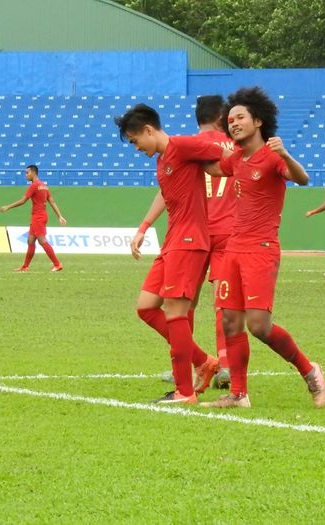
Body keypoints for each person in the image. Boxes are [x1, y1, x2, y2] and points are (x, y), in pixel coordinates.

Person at [200, 86, 325, 409]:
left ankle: (309, 370)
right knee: (230, 321)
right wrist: (180, 153)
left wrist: (285, 154)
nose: (233, 123)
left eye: (240, 117)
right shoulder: (237, 159)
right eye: (229, 119)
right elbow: (214, 168)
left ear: (258, 121)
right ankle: (239, 394)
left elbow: (302, 179)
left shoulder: (272, 158)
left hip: (261, 249)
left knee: (259, 325)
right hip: (233, 249)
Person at [115, 103, 229, 404]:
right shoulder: (164, 159)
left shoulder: (182, 145)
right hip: (172, 240)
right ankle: (203, 361)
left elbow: (223, 153)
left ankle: (184, 392)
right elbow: (166, 194)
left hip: (190, 240)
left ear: (149, 130)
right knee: (146, 306)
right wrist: (143, 227)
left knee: (176, 313)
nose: (135, 147)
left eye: (135, 140)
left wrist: (246, 165)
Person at [0, 164, 66, 272]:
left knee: (42, 241)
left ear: (34, 173)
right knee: (30, 241)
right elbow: (52, 201)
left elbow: (23, 201)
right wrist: (59, 216)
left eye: (27, 172)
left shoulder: (34, 186)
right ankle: (25, 266)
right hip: (41, 215)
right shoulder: (44, 185)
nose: (26, 175)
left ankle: (57, 264)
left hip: (38, 217)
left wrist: (8, 207)